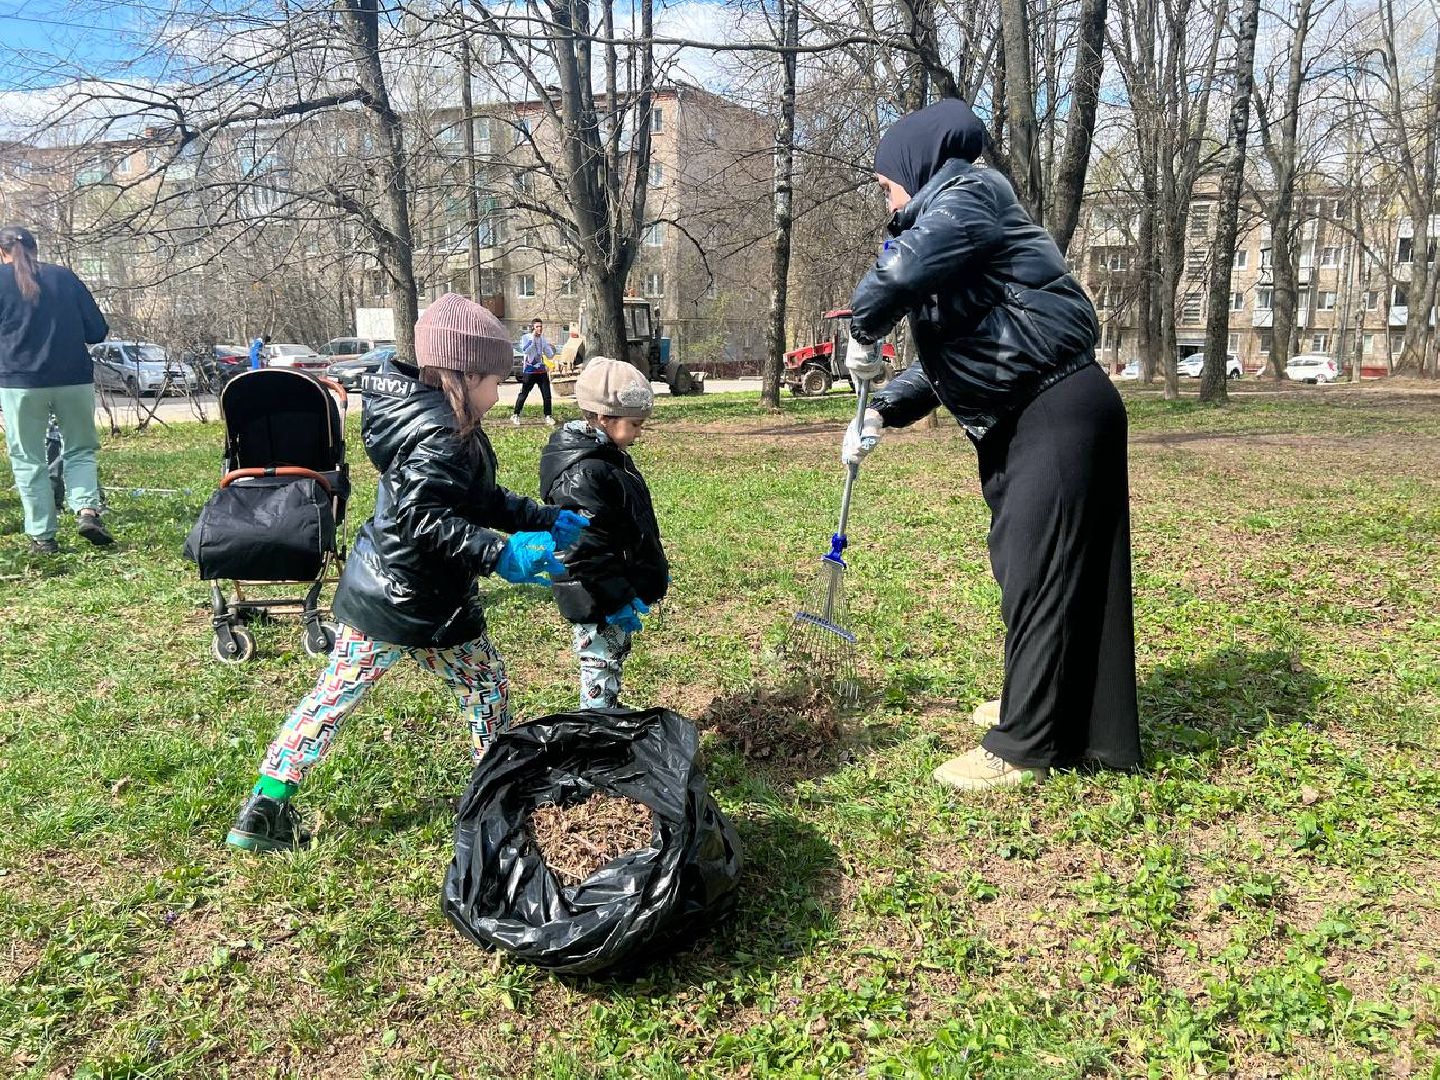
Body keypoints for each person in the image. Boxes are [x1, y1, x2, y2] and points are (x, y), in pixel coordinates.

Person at [841, 99, 1141, 791]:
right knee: (1027, 569)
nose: (887, 199)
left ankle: (1023, 746)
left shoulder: (971, 193)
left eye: (887, 184)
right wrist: (882, 410)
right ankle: (1042, 706)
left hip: (1055, 409)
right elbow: (959, 355)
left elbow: (900, 272)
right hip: (1025, 413)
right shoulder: (960, 225)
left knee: (1041, 574)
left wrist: (862, 328)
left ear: (916, 165)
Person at [225, 294, 589, 852]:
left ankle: (264, 804)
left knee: (333, 696)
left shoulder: (432, 419)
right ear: (464, 375)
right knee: (485, 684)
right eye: (496, 381)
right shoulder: (442, 434)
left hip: (381, 592)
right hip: (424, 599)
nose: (500, 393)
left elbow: (476, 497)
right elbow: (425, 520)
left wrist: (538, 517)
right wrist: (500, 554)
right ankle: (493, 795)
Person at [539, 357, 668, 709]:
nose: (639, 433)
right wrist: (616, 597)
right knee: (599, 665)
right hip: (595, 596)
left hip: (611, 590)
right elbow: (583, 549)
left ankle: (604, 712)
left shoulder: (608, 456)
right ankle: (596, 724)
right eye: (635, 424)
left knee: (610, 659)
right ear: (603, 418)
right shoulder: (583, 472)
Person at [0, 224, 113, 555]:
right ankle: (87, 511)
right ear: (35, 248)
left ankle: (43, 537)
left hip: (20, 383)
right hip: (74, 379)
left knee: (28, 458)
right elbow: (96, 331)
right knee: (79, 449)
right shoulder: (64, 277)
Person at [511, 318, 556, 425]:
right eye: (537, 327)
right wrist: (532, 339)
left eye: (541, 326)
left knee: (547, 395)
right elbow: (525, 350)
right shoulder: (526, 337)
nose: (539, 329)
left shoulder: (542, 339)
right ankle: (516, 414)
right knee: (524, 394)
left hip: (541, 371)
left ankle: (548, 416)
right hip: (529, 371)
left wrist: (550, 350)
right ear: (533, 328)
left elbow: (549, 354)